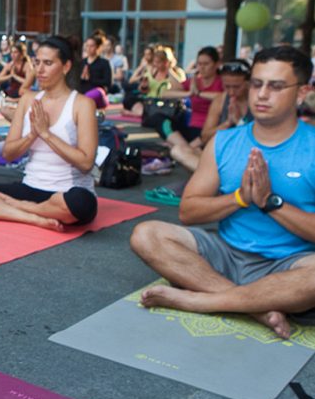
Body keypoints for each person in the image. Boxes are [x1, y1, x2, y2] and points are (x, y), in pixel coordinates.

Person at [130, 46, 315, 339]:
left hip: (288, 264)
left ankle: (202, 300)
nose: (262, 94)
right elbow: (188, 212)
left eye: (276, 86)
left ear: (302, 92)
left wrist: (270, 202)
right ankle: (254, 306)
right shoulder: (224, 141)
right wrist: (240, 198)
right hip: (226, 255)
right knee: (145, 234)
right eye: (257, 83)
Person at [0, 35, 98, 232]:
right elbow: (8, 154)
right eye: (37, 62)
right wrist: (32, 135)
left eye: (48, 63)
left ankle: (22, 208)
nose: (40, 70)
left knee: (81, 203)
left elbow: (86, 163)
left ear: (66, 66)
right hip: (31, 186)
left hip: (67, 193)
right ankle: (33, 218)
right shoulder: (28, 99)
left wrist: (46, 134)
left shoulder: (82, 104)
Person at [155, 47, 225, 173]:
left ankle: (183, 149)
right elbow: (165, 93)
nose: (202, 67)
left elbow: (223, 96)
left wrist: (198, 93)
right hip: (191, 126)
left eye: (206, 64)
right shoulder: (195, 81)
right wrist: (188, 93)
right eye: (199, 64)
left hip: (208, 130)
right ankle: (187, 148)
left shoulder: (221, 82)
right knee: (158, 119)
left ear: (216, 64)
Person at [122, 45, 185, 115]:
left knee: (153, 113)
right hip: (150, 102)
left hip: (166, 104)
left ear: (166, 62)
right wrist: (143, 87)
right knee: (132, 100)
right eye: (155, 62)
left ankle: (131, 113)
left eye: (158, 62)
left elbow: (181, 87)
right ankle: (135, 112)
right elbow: (141, 89)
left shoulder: (177, 72)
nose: (156, 64)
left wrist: (169, 70)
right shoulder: (152, 71)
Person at [0, 41, 35, 121]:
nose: (13, 55)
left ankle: (11, 100)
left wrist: (15, 76)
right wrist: (10, 76)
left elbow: (28, 82)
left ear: (21, 54)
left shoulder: (27, 65)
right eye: (12, 52)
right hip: (11, 90)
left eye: (15, 52)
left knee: (25, 94)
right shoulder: (10, 64)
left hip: (22, 91)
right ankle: (8, 99)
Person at [78, 35, 113, 109]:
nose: (89, 48)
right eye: (87, 46)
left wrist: (90, 78)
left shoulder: (104, 63)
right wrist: (81, 78)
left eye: (92, 46)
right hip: (83, 91)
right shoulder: (82, 63)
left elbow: (107, 82)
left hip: (97, 92)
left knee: (87, 98)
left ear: (97, 47)